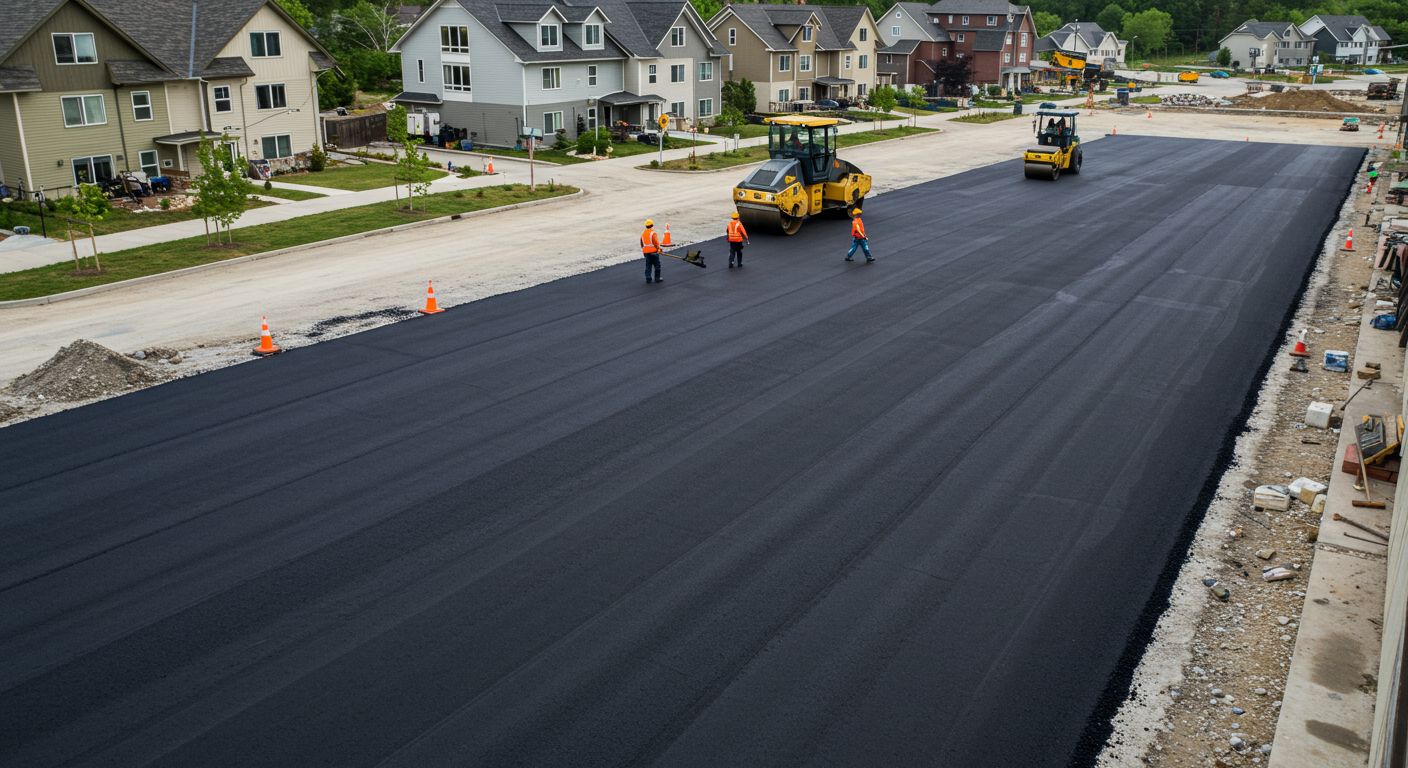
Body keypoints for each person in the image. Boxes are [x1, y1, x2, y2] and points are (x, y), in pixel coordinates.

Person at [641, 218, 663, 283]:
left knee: (648, 265)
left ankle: (648, 278)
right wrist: (659, 249)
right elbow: (655, 242)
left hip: (646, 252)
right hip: (653, 252)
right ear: (652, 225)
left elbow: (641, 242)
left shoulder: (643, 233)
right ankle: (657, 278)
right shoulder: (653, 233)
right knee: (657, 265)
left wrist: (644, 250)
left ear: (646, 226)